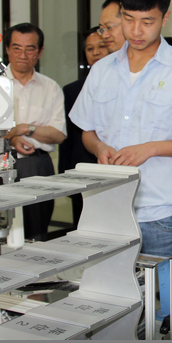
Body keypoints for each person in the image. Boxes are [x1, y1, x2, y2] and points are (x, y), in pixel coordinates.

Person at [69, 0, 172, 262]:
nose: (136, 31)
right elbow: (88, 131)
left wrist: (150, 149)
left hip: (159, 214)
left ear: (165, 17)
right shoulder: (102, 70)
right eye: (128, 19)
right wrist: (99, 148)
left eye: (147, 22)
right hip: (108, 209)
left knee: (167, 291)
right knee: (110, 288)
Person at [2, 23, 67, 241]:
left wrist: (25, 128)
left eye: (30, 49)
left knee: (37, 233)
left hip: (38, 165)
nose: (23, 55)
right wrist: (12, 137)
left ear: (39, 52)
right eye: (16, 48)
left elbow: (58, 135)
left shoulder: (50, 88)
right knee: (0, 230)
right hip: (0, 163)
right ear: (7, 50)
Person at [58, 27, 110, 228]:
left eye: (101, 46)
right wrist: (65, 174)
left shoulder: (127, 85)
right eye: (90, 49)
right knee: (83, 230)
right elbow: (68, 139)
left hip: (115, 168)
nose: (95, 52)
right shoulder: (72, 90)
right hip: (82, 172)